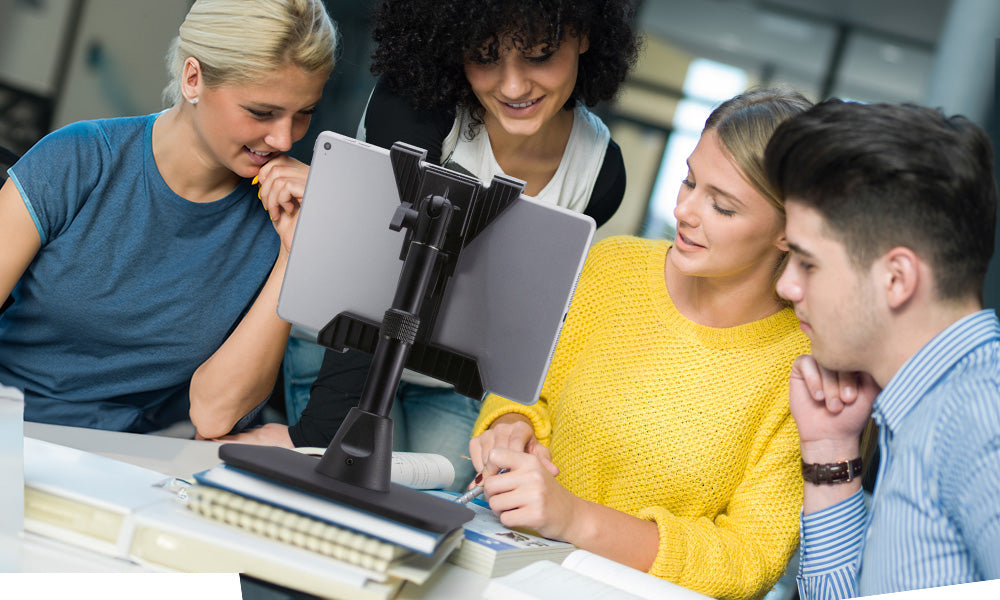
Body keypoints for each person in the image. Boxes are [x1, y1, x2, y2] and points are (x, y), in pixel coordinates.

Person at [235, 0, 640, 492]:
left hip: (448, 383)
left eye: (538, 56)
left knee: (438, 497)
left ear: (585, 36)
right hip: (345, 349)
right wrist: (318, 435)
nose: (513, 87)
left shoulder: (601, 173)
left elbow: (526, 321)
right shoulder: (416, 109)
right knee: (354, 492)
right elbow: (375, 278)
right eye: (486, 57)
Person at [468, 88, 813, 600]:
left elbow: (750, 560)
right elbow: (527, 389)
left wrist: (574, 518)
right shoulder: (613, 268)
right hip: (507, 564)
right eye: (689, 180)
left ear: (790, 231)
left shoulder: (800, 368)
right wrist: (509, 428)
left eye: (721, 205)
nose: (685, 210)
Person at [0, 0, 338, 438]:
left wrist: (297, 253)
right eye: (261, 112)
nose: (283, 138)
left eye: (304, 114)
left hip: (127, 461)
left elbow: (216, 416)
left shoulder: (280, 218)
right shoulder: (79, 159)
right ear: (193, 78)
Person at [765, 100, 1000, 598]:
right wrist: (830, 452)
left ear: (896, 278)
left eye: (807, 263)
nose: (787, 286)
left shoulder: (981, 416)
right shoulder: (920, 408)